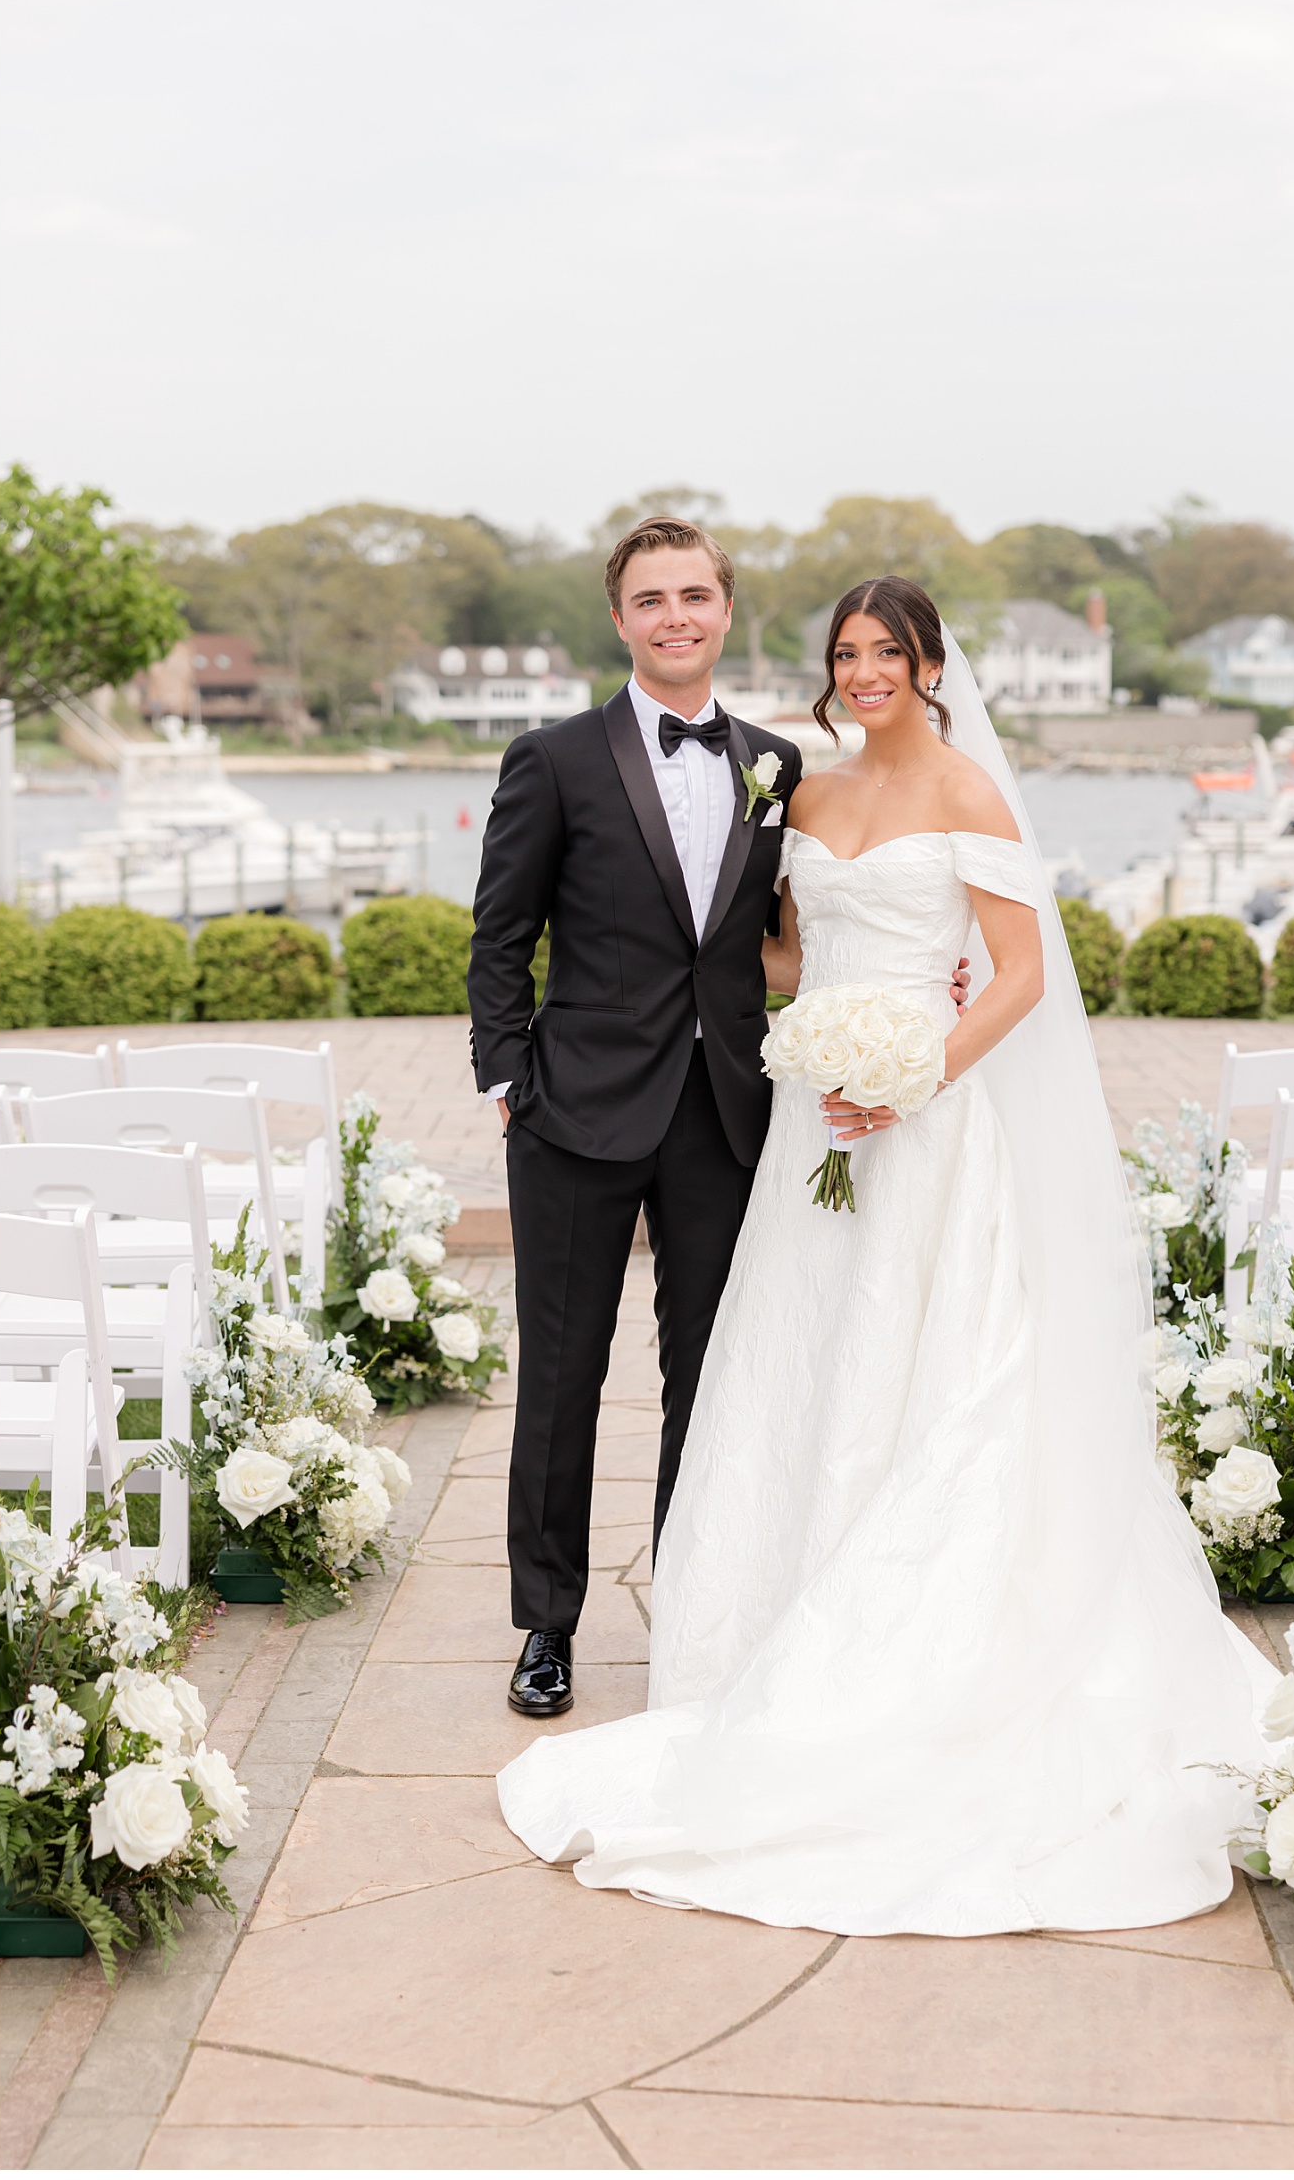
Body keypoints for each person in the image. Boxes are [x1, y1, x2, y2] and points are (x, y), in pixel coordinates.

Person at [496, 574, 1274, 1938]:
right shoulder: (801, 790)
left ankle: (911, 1648)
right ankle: (750, 1626)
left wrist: (915, 1067)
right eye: (846, 653)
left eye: (886, 653)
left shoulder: (971, 788)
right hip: (807, 1118)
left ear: (930, 665)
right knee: (786, 1360)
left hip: (922, 1118)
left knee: (934, 1368)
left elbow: (1022, 971)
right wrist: (801, 1032)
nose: (863, 672)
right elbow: (784, 954)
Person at [467, 523, 970, 1718]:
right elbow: (499, 937)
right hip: (572, 1115)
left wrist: (922, 983)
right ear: (621, 619)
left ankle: (691, 1607)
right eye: (651, 598)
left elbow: (801, 940)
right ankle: (547, 1624)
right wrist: (509, 1079)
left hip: (728, 1115)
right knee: (561, 1377)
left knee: (711, 1372)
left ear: (726, 611)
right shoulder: (552, 757)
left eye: (695, 594)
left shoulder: (775, 766)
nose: (675, 614)